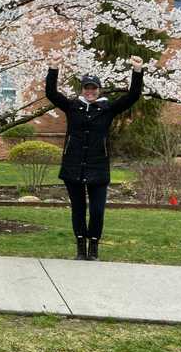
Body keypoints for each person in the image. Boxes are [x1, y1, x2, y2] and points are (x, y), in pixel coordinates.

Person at [46, 54, 143, 261]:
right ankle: (81, 247)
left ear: (99, 90)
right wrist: (53, 67)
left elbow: (133, 96)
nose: (90, 92)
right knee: (78, 210)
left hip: (98, 168)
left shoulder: (108, 109)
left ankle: (94, 247)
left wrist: (137, 71)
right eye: (86, 88)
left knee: (97, 211)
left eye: (93, 88)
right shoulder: (72, 107)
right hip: (73, 166)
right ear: (82, 90)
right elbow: (51, 93)